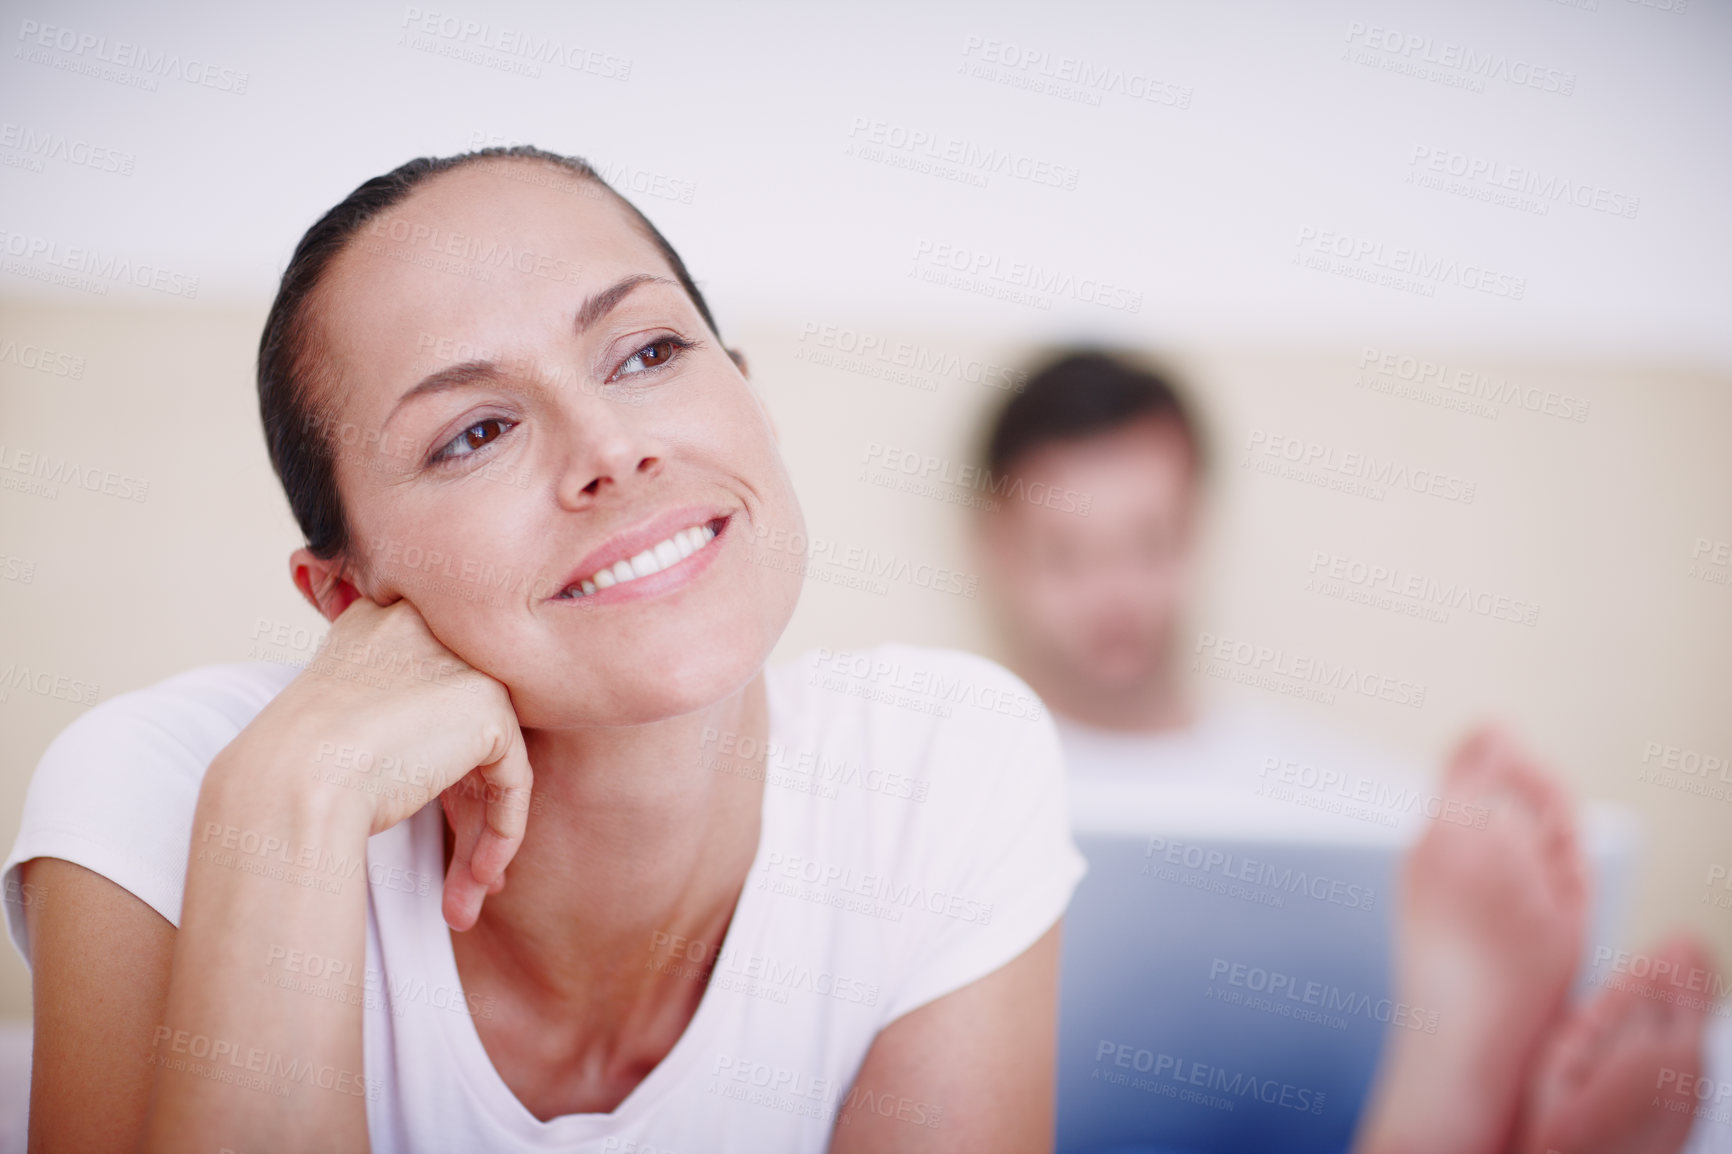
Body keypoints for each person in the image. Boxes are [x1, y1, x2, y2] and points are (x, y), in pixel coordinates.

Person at [1, 146, 1086, 1153]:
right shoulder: (166, 792)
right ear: (347, 594)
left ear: (748, 389)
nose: (612, 450)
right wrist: (293, 799)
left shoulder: (939, 767)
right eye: (477, 431)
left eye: (649, 350)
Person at [974, 350, 1718, 1153]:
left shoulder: (1333, 795)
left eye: (1150, 544)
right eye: (1067, 555)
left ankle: (1463, 1087)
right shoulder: (962, 780)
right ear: (995, 548)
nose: (1115, 592)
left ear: (1200, 526)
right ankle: (1454, 1104)